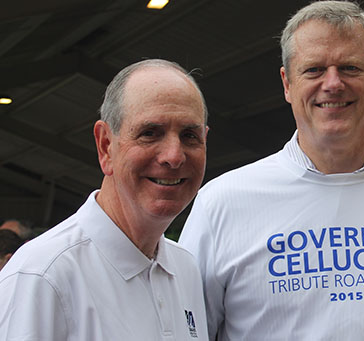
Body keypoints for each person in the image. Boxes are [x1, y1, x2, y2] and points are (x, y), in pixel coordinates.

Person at [179, 1, 364, 340]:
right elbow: (186, 331)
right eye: (314, 70)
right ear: (287, 84)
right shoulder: (221, 204)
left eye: (350, 68)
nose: (333, 83)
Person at [0, 59, 210, 340]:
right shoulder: (42, 276)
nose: (174, 156)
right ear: (105, 146)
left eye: (189, 135)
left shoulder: (185, 269)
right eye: (150, 133)